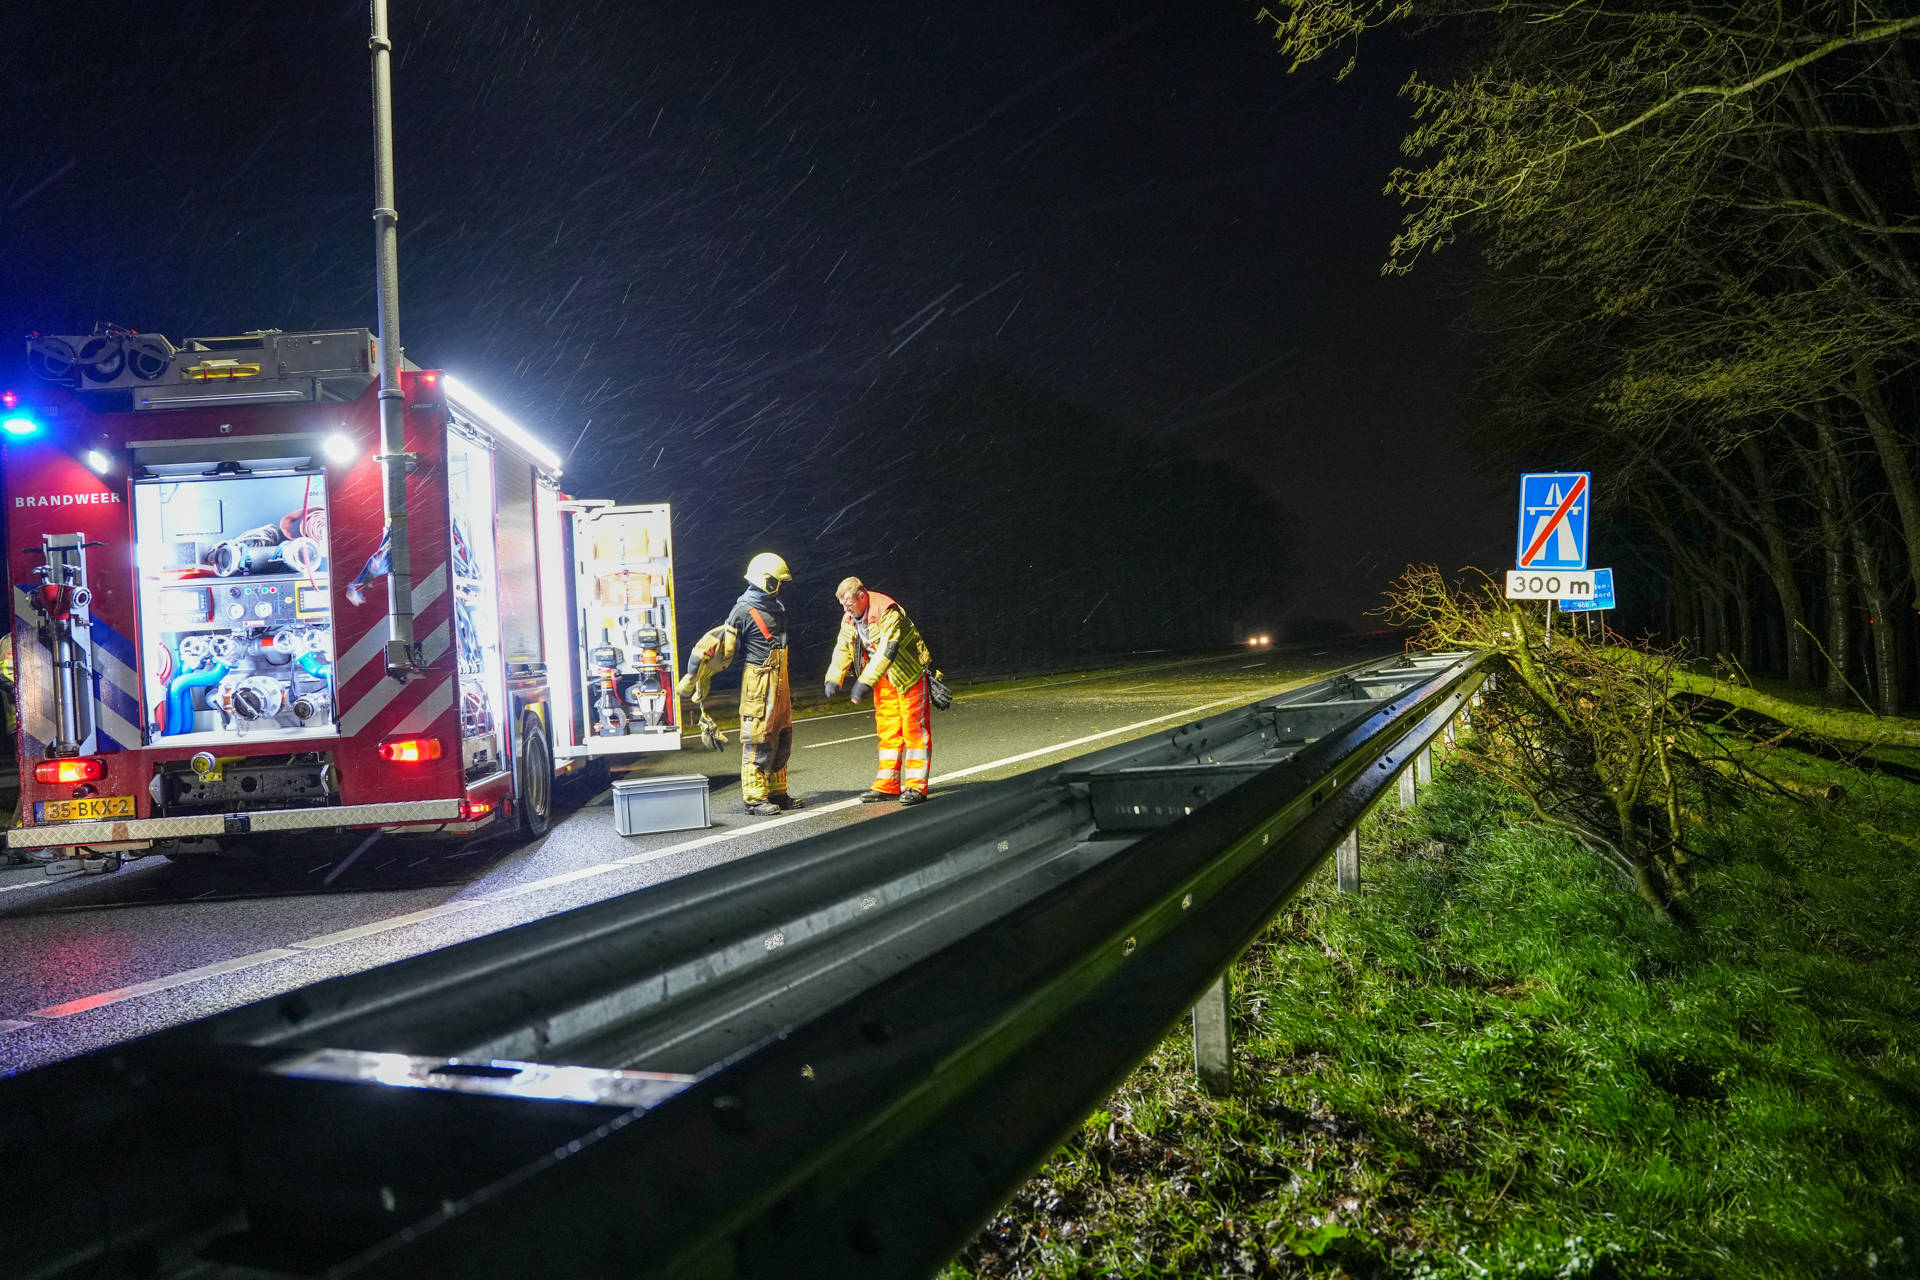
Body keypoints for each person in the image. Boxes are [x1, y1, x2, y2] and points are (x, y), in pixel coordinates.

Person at [676, 552, 802, 816]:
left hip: (781, 682)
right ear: (764, 580)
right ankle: (755, 799)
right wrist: (696, 676)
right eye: (776, 581)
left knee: (782, 738)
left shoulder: (777, 607)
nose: (779, 586)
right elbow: (720, 647)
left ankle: (778, 794)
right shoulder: (742, 611)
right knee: (758, 740)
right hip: (759, 683)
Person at [825, 577, 934, 805]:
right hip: (884, 680)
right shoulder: (850, 618)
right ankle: (888, 785)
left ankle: (916, 786)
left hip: (908, 676)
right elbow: (843, 647)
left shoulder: (886, 610)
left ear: (862, 596)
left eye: (849, 603)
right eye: (842, 605)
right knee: (888, 732)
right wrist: (834, 677)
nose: (846, 609)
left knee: (914, 730)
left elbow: (888, 649)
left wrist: (865, 681)